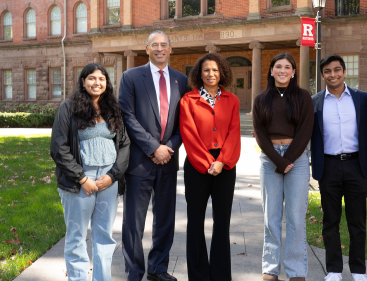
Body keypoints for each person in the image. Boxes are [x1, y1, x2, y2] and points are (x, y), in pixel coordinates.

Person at [119, 30, 188, 281]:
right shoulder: (131, 77)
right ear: (146, 49)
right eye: (154, 45)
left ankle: (157, 269)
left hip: (168, 161)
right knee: (133, 224)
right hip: (139, 162)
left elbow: (185, 122)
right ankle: (134, 273)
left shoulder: (182, 79)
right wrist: (153, 147)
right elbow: (127, 116)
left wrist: (168, 147)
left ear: (171, 49)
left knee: (165, 220)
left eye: (164, 45)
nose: (159, 49)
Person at [51, 63, 130, 281]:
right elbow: (58, 147)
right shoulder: (68, 108)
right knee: (76, 235)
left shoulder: (113, 109)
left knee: (104, 236)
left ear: (107, 83)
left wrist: (112, 176)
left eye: (102, 79)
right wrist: (82, 178)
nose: (97, 83)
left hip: (108, 180)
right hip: (78, 181)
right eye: (92, 78)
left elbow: (124, 144)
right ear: (83, 82)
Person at [310, 55, 367, 281]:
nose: (333, 74)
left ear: (344, 72)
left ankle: (358, 270)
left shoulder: (362, 99)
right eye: (328, 71)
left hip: (357, 165)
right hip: (328, 166)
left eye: (337, 70)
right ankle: (334, 270)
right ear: (322, 75)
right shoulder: (314, 101)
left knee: (358, 221)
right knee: (330, 221)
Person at [179, 52, 241, 281]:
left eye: (215, 70)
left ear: (222, 72)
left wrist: (221, 161)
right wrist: (207, 163)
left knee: (222, 222)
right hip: (197, 166)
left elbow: (234, 134)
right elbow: (189, 135)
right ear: (199, 73)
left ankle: (220, 274)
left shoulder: (232, 100)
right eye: (206, 70)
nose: (211, 74)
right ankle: (198, 274)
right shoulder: (188, 100)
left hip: (225, 166)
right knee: (195, 221)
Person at [252, 53, 314, 281]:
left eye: (288, 67)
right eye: (278, 66)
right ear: (271, 71)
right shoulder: (261, 99)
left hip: (296, 160)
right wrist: (278, 161)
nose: (283, 70)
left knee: (296, 217)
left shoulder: (303, 97)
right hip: (270, 162)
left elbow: (306, 131)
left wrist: (288, 159)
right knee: (271, 217)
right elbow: (259, 132)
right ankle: (270, 268)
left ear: (294, 72)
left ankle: (296, 270)